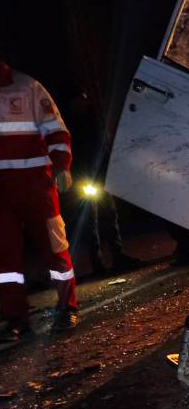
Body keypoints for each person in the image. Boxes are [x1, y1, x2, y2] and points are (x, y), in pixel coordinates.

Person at [0, 59, 79, 341]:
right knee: (4, 260)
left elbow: (56, 130)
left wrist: (62, 166)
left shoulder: (27, 86)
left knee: (54, 246)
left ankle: (67, 307)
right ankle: (15, 319)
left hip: (35, 184)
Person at [59, 82, 142, 275]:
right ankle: (97, 262)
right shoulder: (68, 124)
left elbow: (101, 145)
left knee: (109, 215)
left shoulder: (91, 118)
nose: (84, 101)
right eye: (80, 98)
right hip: (83, 178)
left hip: (98, 175)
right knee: (90, 221)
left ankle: (117, 255)